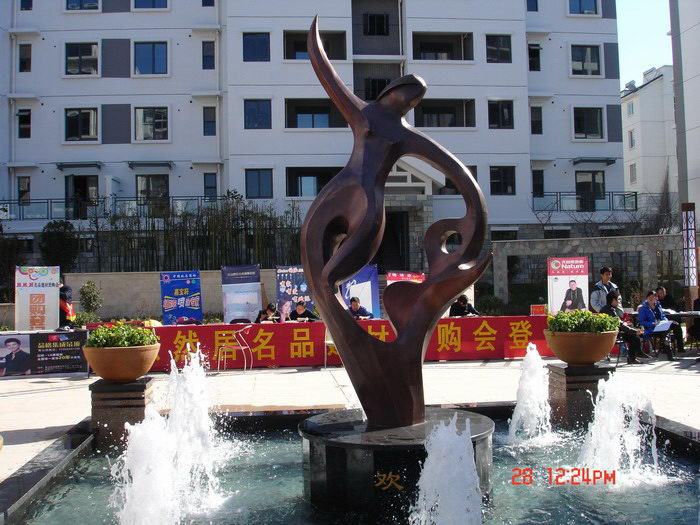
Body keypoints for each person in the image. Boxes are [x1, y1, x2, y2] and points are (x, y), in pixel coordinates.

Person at [600, 291, 648, 364]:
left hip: (612, 332)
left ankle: (634, 356)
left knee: (634, 336)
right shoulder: (610, 310)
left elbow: (618, 323)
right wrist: (634, 331)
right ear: (613, 300)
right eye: (618, 300)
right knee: (634, 336)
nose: (619, 302)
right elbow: (620, 325)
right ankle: (635, 355)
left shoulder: (608, 308)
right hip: (610, 334)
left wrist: (626, 324)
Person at [638, 291, 675, 360]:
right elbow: (642, 322)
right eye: (649, 297)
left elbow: (662, 316)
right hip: (649, 329)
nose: (651, 299)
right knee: (665, 333)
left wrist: (665, 321)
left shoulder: (658, 305)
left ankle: (666, 344)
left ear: (656, 298)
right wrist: (653, 323)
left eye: (653, 297)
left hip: (660, 327)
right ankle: (668, 349)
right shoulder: (643, 308)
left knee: (668, 328)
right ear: (647, 298)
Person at [656, 285, 685, 352]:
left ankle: (680, 348)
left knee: (678, 327)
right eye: (660, 293)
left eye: (664, 292)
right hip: (661, 322)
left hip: (671, 320)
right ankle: (665, 348)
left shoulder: (669, 298)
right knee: (664, 330)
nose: (662, 294)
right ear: (657, 294)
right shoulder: (656, 301)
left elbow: (675, 307)